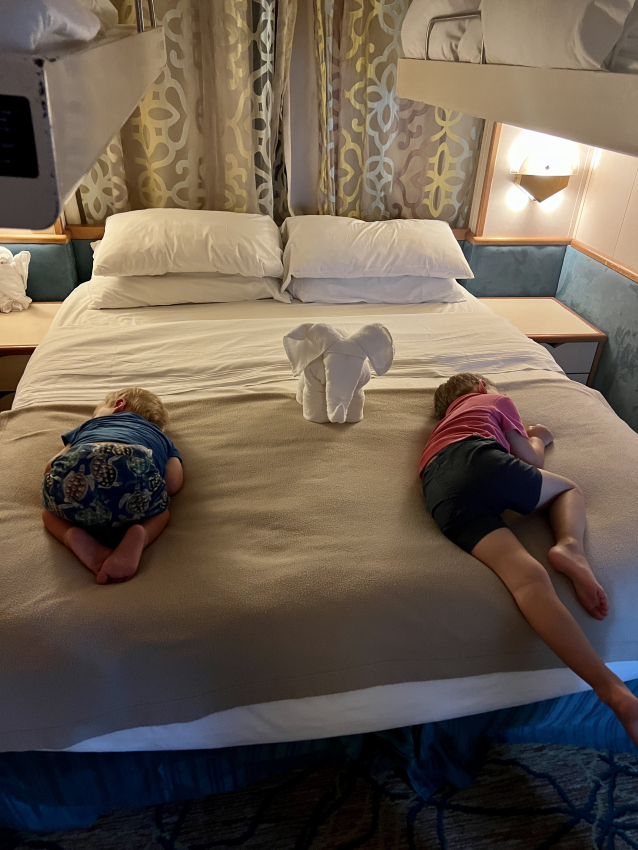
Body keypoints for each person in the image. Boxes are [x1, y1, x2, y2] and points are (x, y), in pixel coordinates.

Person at [420, 372, 638, 747]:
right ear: (481, 387)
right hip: (478, 458)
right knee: (567, 487)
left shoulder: (441, 431)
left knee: (526, 579)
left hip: (437, 489)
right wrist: (539, 436)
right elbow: (529, 457)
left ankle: (614, 692)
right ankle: (570, 546)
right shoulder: (491, 402)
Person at [42, 387, 183, 585]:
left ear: (118, 405)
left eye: (96, 411)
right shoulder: (162, 438)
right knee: (163, 513)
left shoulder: (89, 426)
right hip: (134, 481)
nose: (94, 416)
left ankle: (71, 534)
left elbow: (51, 466)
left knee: (49, 513)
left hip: (78, 475)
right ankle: (140, 534)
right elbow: (173, 484)